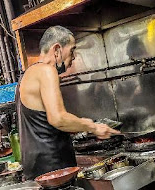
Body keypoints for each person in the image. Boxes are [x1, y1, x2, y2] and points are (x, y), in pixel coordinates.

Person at [16, 25, 120, 180]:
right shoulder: (46, 71)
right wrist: (93, 126)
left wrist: (76, 126)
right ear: (57, 49)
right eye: (72, 50)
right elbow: (58, 119)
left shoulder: (25, 77)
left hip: (38, 172)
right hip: (55, 173)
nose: (74, 57)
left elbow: (42, 124)